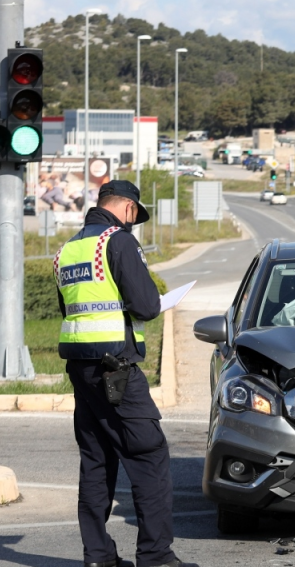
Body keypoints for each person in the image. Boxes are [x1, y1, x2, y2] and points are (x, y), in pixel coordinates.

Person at [53, 180, 196, 567]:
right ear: (129, 208)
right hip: (116, 369)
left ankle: (98, 557)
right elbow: (147, 305)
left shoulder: (68, 250)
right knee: (149, 454)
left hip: (81, 371)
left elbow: (73, 312)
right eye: (135, 215)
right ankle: (155, 556)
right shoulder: (117, 241)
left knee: (96, 459)